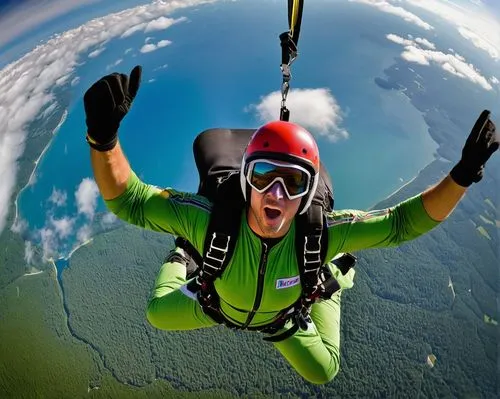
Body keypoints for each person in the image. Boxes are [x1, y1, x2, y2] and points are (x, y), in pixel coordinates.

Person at [83, 65, 498, 385]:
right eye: (264, 175)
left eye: (294, 181)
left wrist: (461, 175)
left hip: (279, 318)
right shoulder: (208, 222)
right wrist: (103, 140)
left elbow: (401, 223)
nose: (276, 193)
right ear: (245, 178)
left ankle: (329, 279)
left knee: (325, 370)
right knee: (157, 313)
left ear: (307, 192)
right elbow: (131, 202)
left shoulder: (322, 234)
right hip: (217, 305)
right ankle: (183, 256)